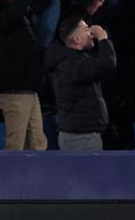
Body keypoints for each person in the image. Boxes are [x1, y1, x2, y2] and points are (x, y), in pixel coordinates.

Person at [45, 17, 117, 152]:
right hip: (81, 136)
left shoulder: (71, 60)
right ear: (77, 39)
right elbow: (107, 66)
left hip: (79, 133)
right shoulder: (72, 64)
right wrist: (103, 38)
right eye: (86, 29)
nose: (91, 33)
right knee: (87, 173)